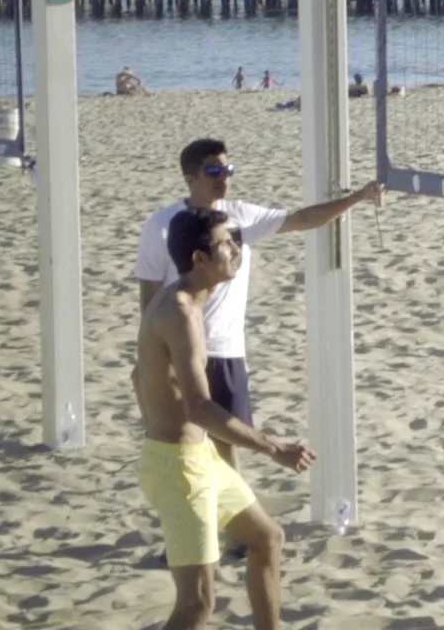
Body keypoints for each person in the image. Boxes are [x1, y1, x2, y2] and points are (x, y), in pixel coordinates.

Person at [133, 206, 323, 630]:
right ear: (200, 257)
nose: (236, 250)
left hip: (196, 460)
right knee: (197, 602)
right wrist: (271, 447)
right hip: (181, 469)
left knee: (267, 538)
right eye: (226, 244)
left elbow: (138, 376)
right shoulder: (179, 313)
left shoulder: (188, 303)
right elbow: (198, 406)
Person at [137, 139, 383, 478]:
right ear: (190, 178)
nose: (223, 177)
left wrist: (358, 197)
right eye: (213, 170)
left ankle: (236, 522)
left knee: (227, 447)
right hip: (180, 348)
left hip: (225, 349)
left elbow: (304, 218)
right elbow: (149, 300)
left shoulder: (239, 216)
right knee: (183, 442)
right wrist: (153, 357)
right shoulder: (163, 225)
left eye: (228, 169)